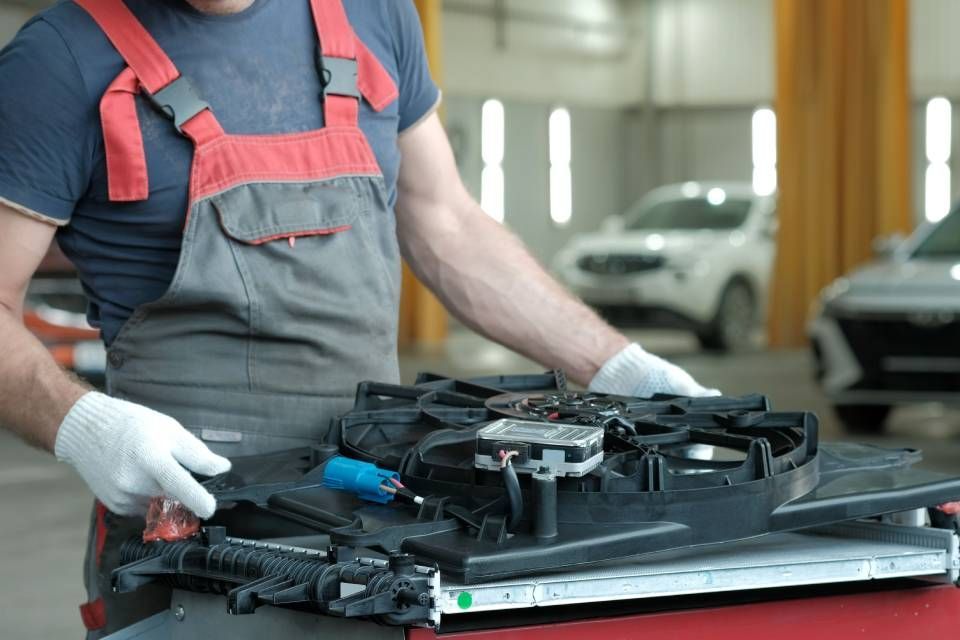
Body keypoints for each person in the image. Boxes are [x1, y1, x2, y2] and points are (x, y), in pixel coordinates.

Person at [0, 0, 717, 636]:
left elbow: (447, 227)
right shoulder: (61, 60)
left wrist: (614, 364)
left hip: (381, 530)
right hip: (189, 547)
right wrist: (81, 425)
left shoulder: (374, 16)